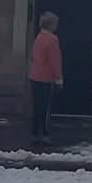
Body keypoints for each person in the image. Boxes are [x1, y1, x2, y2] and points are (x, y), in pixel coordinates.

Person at [27, 10, 63, 147]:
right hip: (46, 78)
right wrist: (59, 78)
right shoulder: (52, 40)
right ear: (51, 24)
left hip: (35, 76)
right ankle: (45, 134)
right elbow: (55, 61)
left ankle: (35, 133)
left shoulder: (39, 37)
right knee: (46, 108)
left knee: (37, 107)